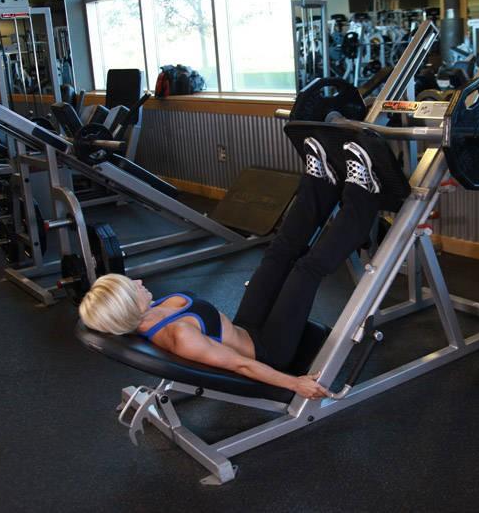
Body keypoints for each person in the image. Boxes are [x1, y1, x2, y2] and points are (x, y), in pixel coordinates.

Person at [79, 138, 383, 400]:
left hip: (247, 327)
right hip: (270, 350)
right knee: (306, 270)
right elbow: (241, 365)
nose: (137, 280)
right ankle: (364, 197)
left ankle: (320, 185)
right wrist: (295, 384)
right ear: (129, 306)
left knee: (276, 254)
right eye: (131, 286)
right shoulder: (179, 336)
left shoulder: (148, 311)